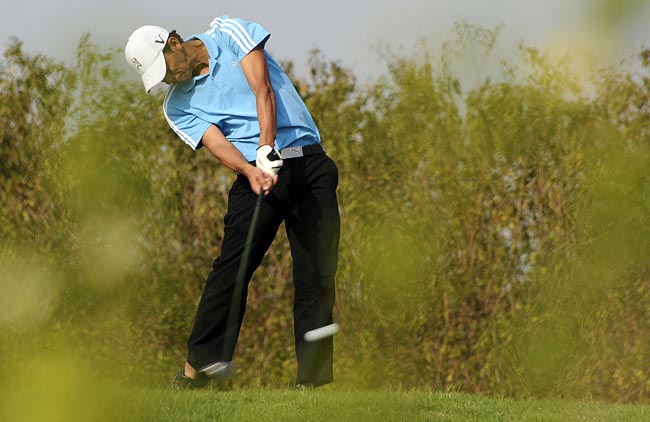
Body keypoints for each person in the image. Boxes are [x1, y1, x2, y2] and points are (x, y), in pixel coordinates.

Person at [124, 16, 340, 389]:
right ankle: (197, 371)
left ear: (173, 43)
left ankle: (314, 381)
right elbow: (217, 143)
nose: (167, 80)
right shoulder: (176, 106)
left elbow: (263, 89)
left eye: (165, 69)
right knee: (232, 269)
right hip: (255, 178)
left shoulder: (228, 31)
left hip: (309, 164)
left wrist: (266, 146)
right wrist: (249, 167)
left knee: (316, 272)